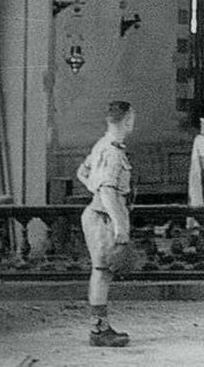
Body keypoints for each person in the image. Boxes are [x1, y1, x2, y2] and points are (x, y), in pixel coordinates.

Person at [76, 101, 136, 347]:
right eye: (133, 118)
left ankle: (100, 328)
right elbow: (109, 192)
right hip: (103, 217)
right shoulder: (112, 152)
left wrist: (94, 186)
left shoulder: (102, 145)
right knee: (101, 273)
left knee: (103, 273)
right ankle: (99, 332)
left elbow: (82, 172)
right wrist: (121, 227)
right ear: (128, 120)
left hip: (99, 214)